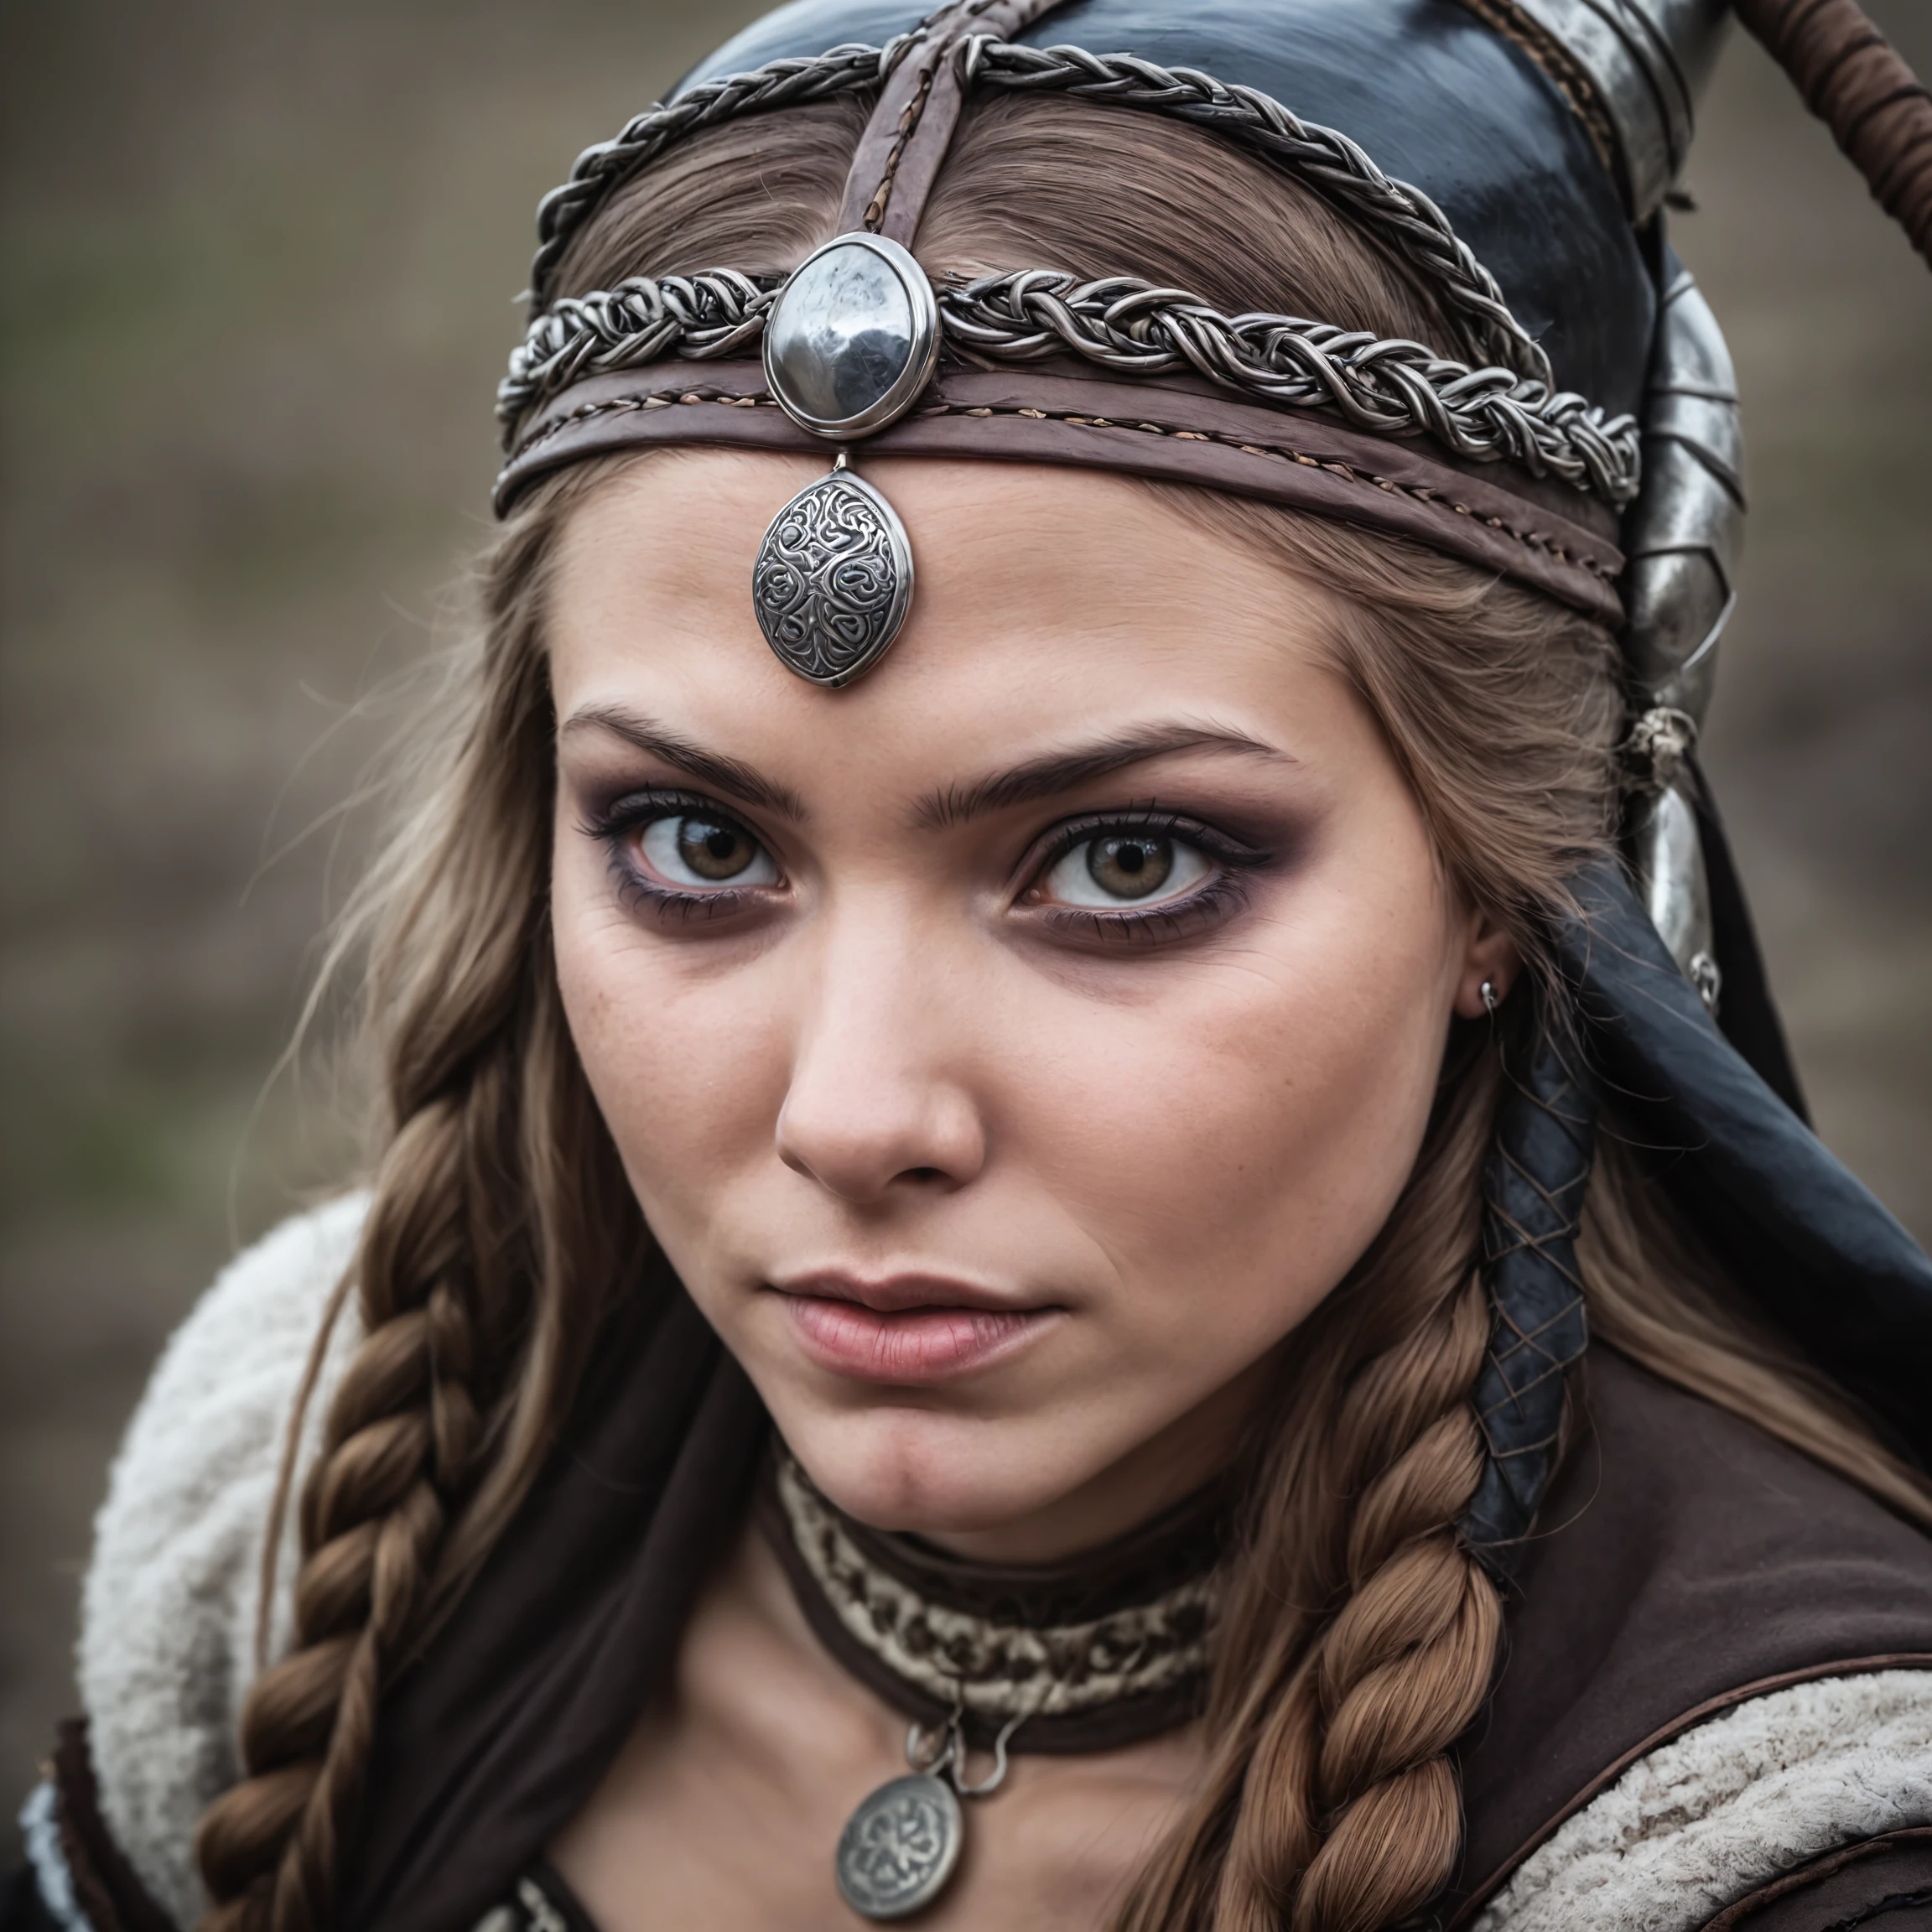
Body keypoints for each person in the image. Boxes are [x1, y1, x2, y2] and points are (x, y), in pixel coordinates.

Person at [13, 0, 1932, 1928]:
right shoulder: (296, 1502)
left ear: (1511, 890)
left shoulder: (1791, 1862)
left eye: (1121, 864)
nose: (853, 1119)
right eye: (699, 845)